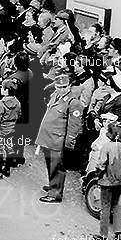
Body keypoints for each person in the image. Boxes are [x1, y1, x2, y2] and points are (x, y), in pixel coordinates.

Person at [36, 74, 84, 203]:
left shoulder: (74, 103)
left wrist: (69, 143)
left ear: (69, 86)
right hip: (48, 137)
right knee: (50, 164)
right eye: (58, 87)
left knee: (57, 166)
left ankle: (55, 193)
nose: (61, 89)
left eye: (64, 87)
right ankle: (53, 185)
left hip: (58, 139)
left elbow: (74, 126)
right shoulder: (55, 96)